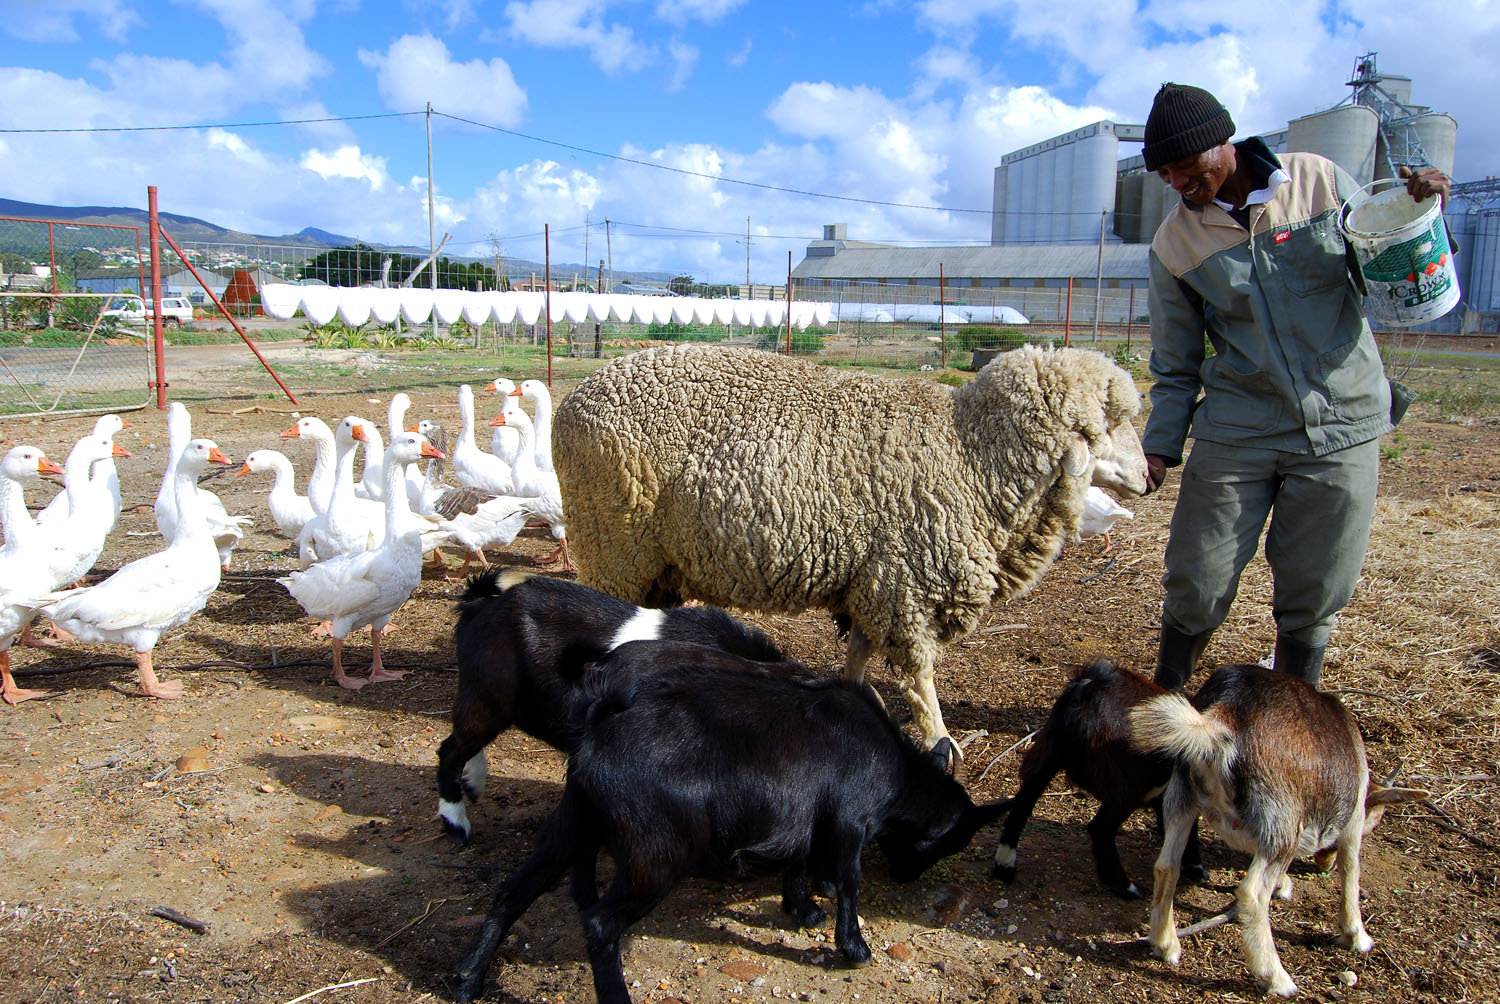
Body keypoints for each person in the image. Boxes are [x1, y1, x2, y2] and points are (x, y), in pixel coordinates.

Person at [1138, 82, 1450, 690]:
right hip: (1240, 426)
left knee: (1317, 585)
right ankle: (1167, 704)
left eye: (1184, 166)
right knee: (1196, 578)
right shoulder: (1175, 243)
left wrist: (1418, 213)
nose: (1176, 182)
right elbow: (1175, 364)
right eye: (1164, 174)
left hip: (1343, 421)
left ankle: (1293, 714)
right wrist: (1158, 448)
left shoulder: (1320, 183)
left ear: (1221, 143)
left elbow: (1392, 256)